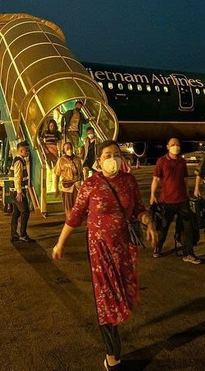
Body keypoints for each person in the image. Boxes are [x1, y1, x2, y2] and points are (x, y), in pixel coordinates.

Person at [52, 140, 158, 370]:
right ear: (98, 161)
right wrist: (60, 244)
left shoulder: (129, 182)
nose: (113, 159)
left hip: (123, 250)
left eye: (117, 154)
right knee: (106, 301)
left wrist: (148, 222)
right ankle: (112, 357)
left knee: (122, 299)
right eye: (108, 155)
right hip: (99, 251)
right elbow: (75, 216)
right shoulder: (90, 184)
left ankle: (113, 345)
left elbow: (139, 209)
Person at [150, 137, 201, 264]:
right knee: (163, 228)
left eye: (178, 144)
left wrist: (188, 193)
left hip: (182, 200)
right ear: (167, 146)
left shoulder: (182, 162)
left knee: (187, 228)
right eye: (173, 144)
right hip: (166, 201)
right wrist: (152, 195)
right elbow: (156, 179)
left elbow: (185, 179)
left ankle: (188, 253)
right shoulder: (161, 161)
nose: (175, 146)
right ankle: (158, 248)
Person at [9, 141, 33, 243]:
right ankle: (22, 234)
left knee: (16, 212)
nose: (27, 152)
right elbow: (17, 178)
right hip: (17, 191)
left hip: (14, 191)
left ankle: (14, 234)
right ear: (21, 150)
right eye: (26, 150)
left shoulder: (20, 160)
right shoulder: (19, 161)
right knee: (25, 211)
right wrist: (19, 191)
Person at [54, 141, 83, 219]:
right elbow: (56, 175)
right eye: (67, 148)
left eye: (70, 148)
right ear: (64, 150)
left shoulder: (77, 159)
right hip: (67, 187)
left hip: (77, 186)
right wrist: (56, 188)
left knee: (77, 206)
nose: (69, 150)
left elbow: (81, 172)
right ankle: (69, 222)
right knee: (68, 208)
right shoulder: (61, 161)